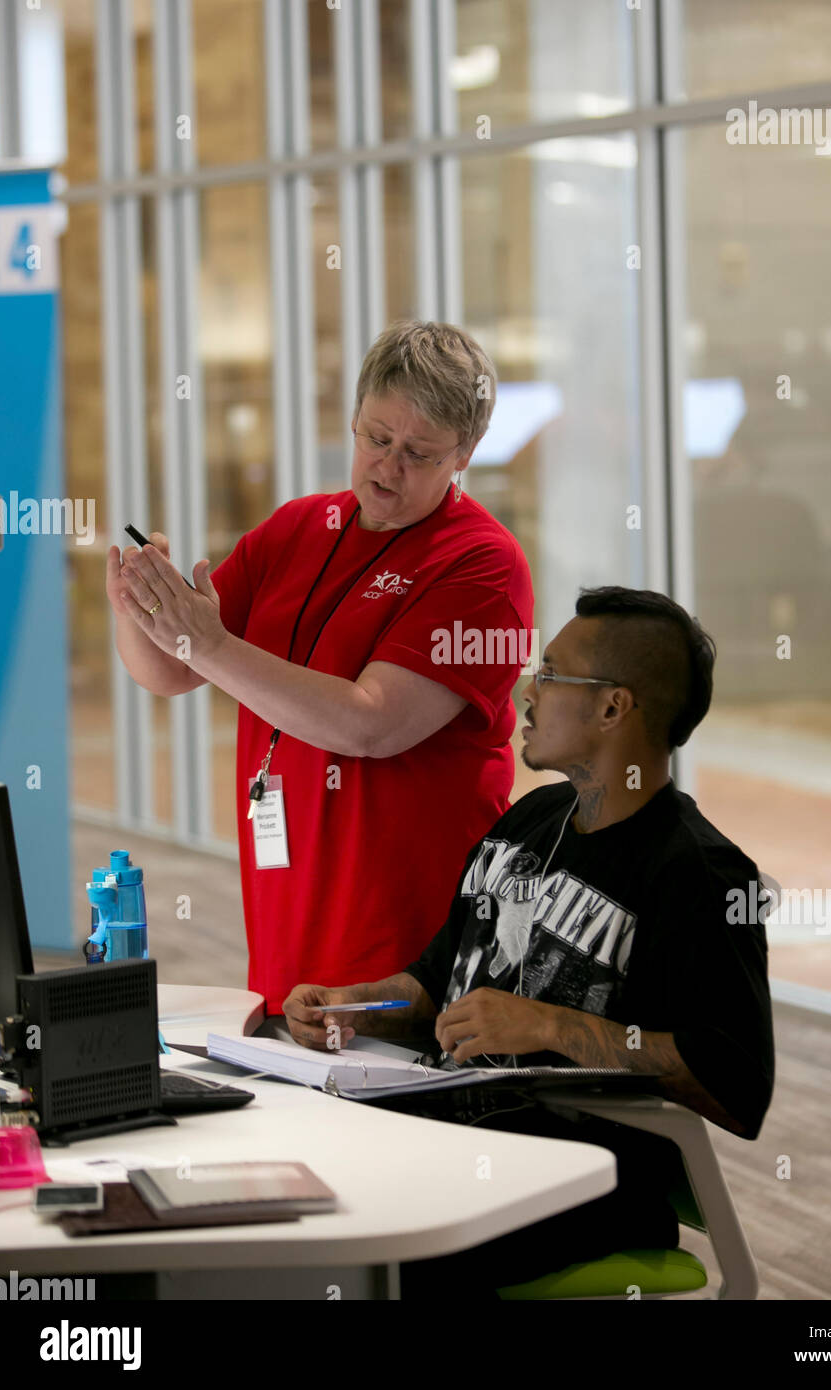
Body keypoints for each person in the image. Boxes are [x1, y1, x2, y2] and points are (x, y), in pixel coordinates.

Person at [283, 586, 776, 1299]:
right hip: (449, 1132)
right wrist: (356, 1005)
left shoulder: (696, 873)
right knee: (283, 1187)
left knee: (353, 1258)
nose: (525, 691)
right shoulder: (535, 817)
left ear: (613, 707)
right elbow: (435, 980)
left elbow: (736, 1085)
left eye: (549, 674)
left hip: (574, 1181)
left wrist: (551, 1025)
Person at [105, 320, 534, 1016]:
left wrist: (210, 645)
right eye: (375, 438)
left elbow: (371, 724)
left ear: (466, 453)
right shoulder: (300, 528)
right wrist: (137, 605)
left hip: (408, 945)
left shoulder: (481, 564)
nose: (386, 468)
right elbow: (171, 672)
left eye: (418, 453)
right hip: (288, 916)